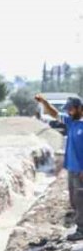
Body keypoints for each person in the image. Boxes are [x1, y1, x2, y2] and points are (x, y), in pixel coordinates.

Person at [35, 94, 83, 239]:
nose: (68, 112)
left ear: (79, 108)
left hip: (81, 171)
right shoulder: (71, 122)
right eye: (67, 109)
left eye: (71, 109)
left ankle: (81, 230)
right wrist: (44, 102)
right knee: (74, 200)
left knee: (80, 200)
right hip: (72, 169)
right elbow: (54, 114)